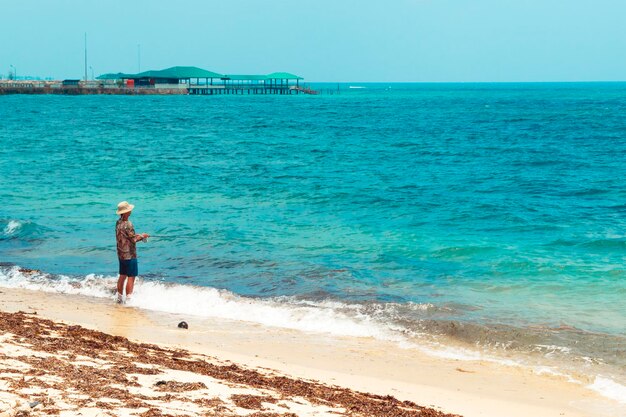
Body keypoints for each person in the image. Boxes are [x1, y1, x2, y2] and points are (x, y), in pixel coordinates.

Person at [115, 201, 149, 303]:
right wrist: (143, 236)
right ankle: (129, 300)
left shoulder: (118, 222)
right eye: (129, 210)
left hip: (121, 254)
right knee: (131, 277)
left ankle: (119, 298)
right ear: (125, 212)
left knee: (122, 275)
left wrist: (138, 235)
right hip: (130, 255)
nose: (130, 211)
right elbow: (133, 239)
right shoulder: (128, 224)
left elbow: (126, 236)